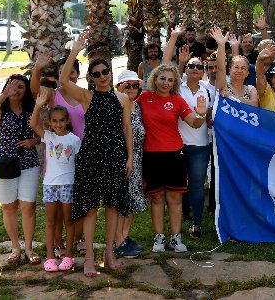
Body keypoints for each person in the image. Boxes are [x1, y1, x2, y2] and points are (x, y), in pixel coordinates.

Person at [60, 32, 133, 277]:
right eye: (97, 74)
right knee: (91, 208)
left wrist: (130, 157)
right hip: (92, 155)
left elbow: (126, 129)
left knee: (112, 207)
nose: (102, 76)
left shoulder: (123, 98)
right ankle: (89, 257)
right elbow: (63, 80)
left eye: (105, 72)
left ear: (111, 73)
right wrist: (75, 51)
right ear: (91, 78)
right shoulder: (86, 97)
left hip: (115, 155)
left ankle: (109, 253)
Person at [136, 63, 208, 254]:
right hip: (151, 156)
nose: (165, 83)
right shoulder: (144, 98)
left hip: (174, 155)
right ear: (155, 79)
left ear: (175, 82)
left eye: (170, 80)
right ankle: (159, 237)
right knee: (157, 198)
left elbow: (194, 123)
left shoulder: (177, 100)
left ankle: (176, 238)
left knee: (175, 198)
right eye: (162, 79)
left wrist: (201, 113)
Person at [31, 50, 86, 257]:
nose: (68, 75)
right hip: (58, 160)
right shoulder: (55, 95)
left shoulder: (85, 94)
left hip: (80, 155)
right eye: (63, 71)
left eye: (72, 71)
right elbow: (36, 90)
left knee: (79, 204)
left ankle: (78, 239)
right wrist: (38, 69)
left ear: (77, 74)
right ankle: (58, 244)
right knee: (56, 211)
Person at [0, 75, 40, 265]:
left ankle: (28, 248)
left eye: (21, 86)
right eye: (13, 86)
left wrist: (33, 141)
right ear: (6, 88)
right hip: (5, 164)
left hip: (29, 163)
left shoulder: (30, 110)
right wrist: (4, 95)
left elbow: (41, 133)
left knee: (28, 206)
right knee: (9, 207)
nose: (17, 90)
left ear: (26, 91)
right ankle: (15, 247)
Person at [31, 90, 80, 272]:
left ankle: (69, 255)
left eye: (61, 120)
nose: (58, 124)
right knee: (51, 222)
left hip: (68, 184)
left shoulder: (74, 140)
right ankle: (50, 257)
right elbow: (33, 123)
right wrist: (38, 105)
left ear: (67, 121)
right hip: (50, 185)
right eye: (54, 121)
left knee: (69, 221)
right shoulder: (48, 136)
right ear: (50, 123)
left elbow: (78, 163)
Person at [177, 54, 214, 240]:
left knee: (197, 186)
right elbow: (167, 76)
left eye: (199, 67)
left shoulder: (208, 90)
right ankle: (178, 221)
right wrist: (181, 61)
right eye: (191, 66)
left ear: (203, 72)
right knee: (177, 185)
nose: (195, 69)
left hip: (200, 145)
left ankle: (196, 223)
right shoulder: (177, 87)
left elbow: (210, 115)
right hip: (177, 144)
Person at [113, 70, 148, 258]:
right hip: (121, 160)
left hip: (137, 159)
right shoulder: (115, 105)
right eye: (127, 85)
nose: (132, 89)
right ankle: (117, 240)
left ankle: (124, 237)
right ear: (118, 87)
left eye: (136, 85)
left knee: (133, 199)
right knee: (121, 201)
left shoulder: (138, 107)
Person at [208, 27, 258, 106]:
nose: (239, 70)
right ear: (230, 70)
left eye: (243, 68)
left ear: (247, 73)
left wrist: (232, 97)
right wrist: (221, 45)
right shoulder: (223, 86)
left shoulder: (251, 89)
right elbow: (221, 69)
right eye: (236, 67)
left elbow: (254, 105)